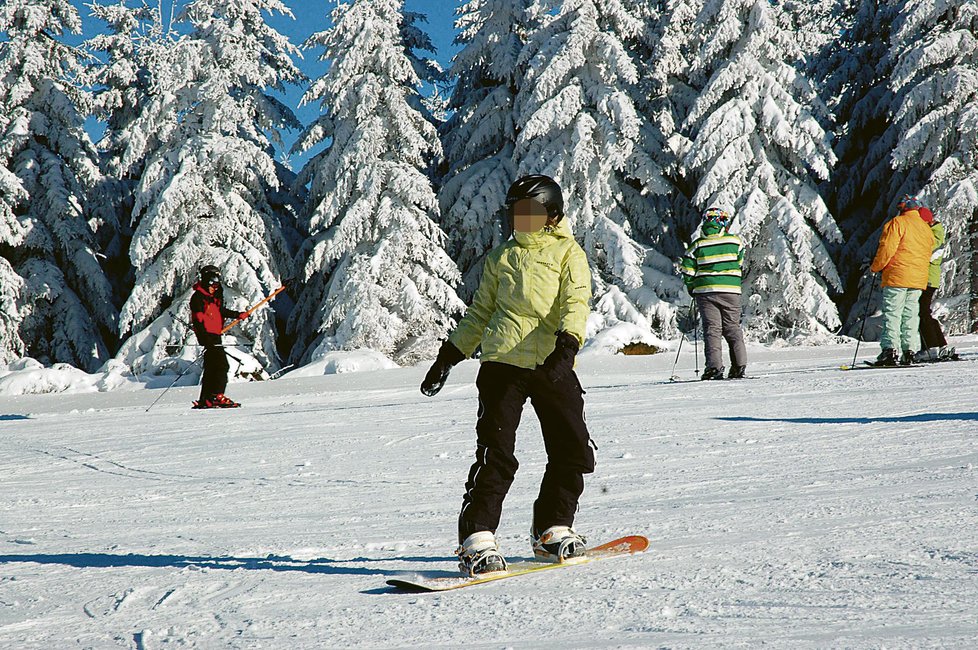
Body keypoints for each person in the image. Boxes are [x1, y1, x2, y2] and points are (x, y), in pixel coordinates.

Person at [420, 175, 595, 576]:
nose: (521, 220)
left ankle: (551, 530)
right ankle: (477, 539)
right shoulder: (501, 258)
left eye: (530, 212)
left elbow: (576, 302)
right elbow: (480, 314)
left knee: (572, 449)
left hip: (553, 363)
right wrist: (448, 356)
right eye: (516, 212)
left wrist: (566, 348)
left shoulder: (569, 253)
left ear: (552, 215)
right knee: (496, 455)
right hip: (502, 363)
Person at [679, 207, 748, 380]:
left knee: (712, 330)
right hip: (731, 291)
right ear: (722, 222)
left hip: (706, 292)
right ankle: (739, 366)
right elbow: (739, 261)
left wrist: (692, 287)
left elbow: (687, 269)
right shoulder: (735, 242)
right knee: (732, 328)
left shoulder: (697, 245)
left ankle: (714, 368)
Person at [869, 195, 934, 366]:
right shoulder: (925, 228)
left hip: (897, 275)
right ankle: (910, 350)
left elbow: (887, 249)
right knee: (911, 314)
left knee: (893, 312)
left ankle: (890, 350)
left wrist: (875, 267)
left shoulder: (897, 223)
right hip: (917, 278)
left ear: (904, 207)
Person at [189, 265, 248, 408]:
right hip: (209, 337)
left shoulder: (212, 298)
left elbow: (220, 311)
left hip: (215, 336)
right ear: (206, 280)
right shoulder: (199, 298)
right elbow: (198, 321)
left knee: (211, 368)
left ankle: (206, 399)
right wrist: (206, 339)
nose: (215, 286)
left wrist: (237, 315)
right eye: (213, 282)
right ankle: (217, 396)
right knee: (222, 366)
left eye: (217, 282)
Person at [915, 207, 954, 361]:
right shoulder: (934, 233)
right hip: (928, 279)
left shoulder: (935, 236)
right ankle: (939, 344)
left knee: (922, 312)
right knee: (924, 312)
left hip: (928, 279)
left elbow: (925, 253)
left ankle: (930, 347)